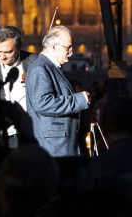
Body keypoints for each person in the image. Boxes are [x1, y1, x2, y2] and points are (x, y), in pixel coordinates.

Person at [26, 25, 92, 159]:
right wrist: (79, 100)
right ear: (54, 46)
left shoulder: (48, 67)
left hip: (60, 145)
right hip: (55, 148)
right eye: (68, 47)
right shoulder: (40, 68)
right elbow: (43, 103)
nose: (71, 52)